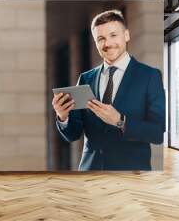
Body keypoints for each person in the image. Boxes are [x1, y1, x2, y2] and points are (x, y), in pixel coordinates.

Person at [52, 9, 165, 171]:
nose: (107, 43)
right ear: (95, 42)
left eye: (113, 35)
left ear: (126, 35)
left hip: (131, 174)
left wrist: (120, 121)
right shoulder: (86, 78)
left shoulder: (149, 76)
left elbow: (157, 133)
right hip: (90, 172)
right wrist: (63, 116)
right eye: (101, 39)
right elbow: (73, 134)